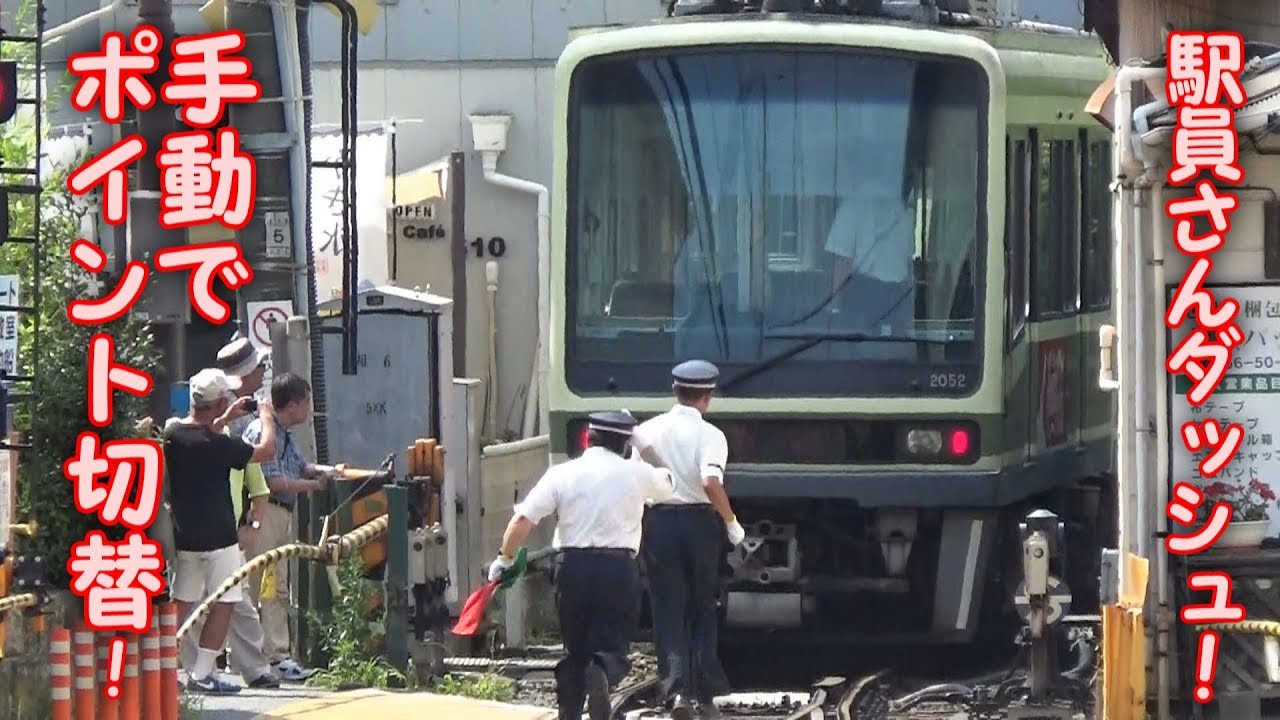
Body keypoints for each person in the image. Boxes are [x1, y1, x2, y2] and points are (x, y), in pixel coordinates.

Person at [488, 411, 677, 720]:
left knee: (574, 646)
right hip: (618, 568)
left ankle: (570, 712)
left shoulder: (563, 473)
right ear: (626, 444)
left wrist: (504, 558)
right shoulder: (636, 474)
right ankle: (602, 670)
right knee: (613, 641)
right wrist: (645, 447)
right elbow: (669, 482)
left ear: (587, 438)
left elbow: (523, 519)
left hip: (571, 566)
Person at [632, 360, 745, 720]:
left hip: (660, 522)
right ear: (708, 396)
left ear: (674, 391)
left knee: (667, 608)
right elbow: (711, 481)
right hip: (699, 524)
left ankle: (676, 693)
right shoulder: (711, 436)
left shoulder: (648, 431)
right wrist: (731, 522)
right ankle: (705, 693)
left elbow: (637, 480)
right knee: (702, 605)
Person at [165, 368, 278, 694]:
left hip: (185, 537)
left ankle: (164, 668)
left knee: (182, 603)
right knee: (224, 601)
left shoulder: (174, 438)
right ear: (217, 403)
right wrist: (266, 418)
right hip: (221, 537)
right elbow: (266, 450)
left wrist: (226, 414)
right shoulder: (222, 445)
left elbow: (200, 429)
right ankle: (202, 673)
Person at [243, 372, 333, 682]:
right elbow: (273, 480)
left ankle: (269, 653)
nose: (309, 408)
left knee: (274, 584)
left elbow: (299, 465)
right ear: (292, 404)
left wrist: (331, 471)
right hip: (265, 513)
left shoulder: (283, 434)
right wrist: (313, 485)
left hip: (280, 514)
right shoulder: (263, 432)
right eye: (306, 401)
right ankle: (270, 655)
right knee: (261, 585)